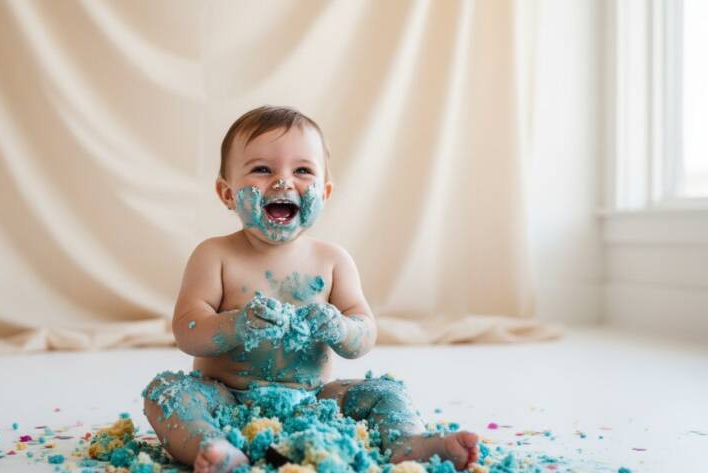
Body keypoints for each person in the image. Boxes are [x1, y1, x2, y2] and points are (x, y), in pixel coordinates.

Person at [143, 106, 479, 473]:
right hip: (225, 399)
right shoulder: (214, 255)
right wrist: (237, 325)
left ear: (326, 191)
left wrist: (340, 327)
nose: (283, 182)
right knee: (166, 392)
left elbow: (364, 335)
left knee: (387, 392)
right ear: (227, 192)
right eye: (262, 169)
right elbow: (187, 331)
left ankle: (408, 443)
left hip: (316, 401)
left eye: (302, 170)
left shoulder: (332, 261)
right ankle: (212, 445)